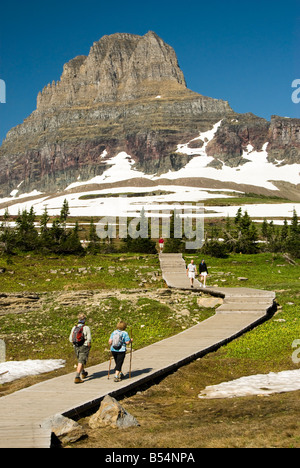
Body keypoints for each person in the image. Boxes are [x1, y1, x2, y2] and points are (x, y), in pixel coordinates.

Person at [69, 313, 92, 384]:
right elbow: (89, 339)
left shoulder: (74, 328)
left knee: (80, 360)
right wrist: (89, 345)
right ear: (84, 320)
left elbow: (70, 339)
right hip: (83, 346)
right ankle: (77, 377)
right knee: (81, 361)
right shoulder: (86, 328)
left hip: (76, 346)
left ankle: (83, 372)